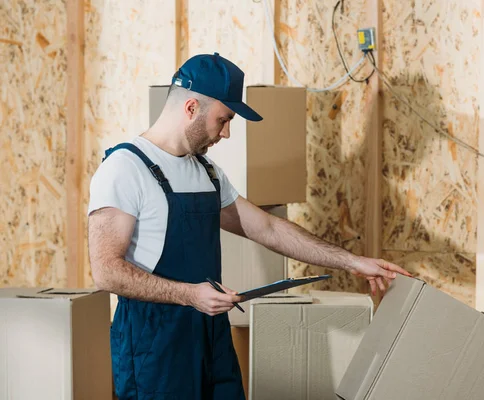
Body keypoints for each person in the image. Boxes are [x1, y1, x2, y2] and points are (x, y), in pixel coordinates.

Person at [87, 52, 411, 400]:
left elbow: (268, 229)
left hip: (212, 334)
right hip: (155, 344)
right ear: (191, 108)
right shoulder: (126, 168)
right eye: (223, 120)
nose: (226, 134)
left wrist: (354, 262)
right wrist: (190, 295)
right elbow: (106, 272)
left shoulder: (206, 173)